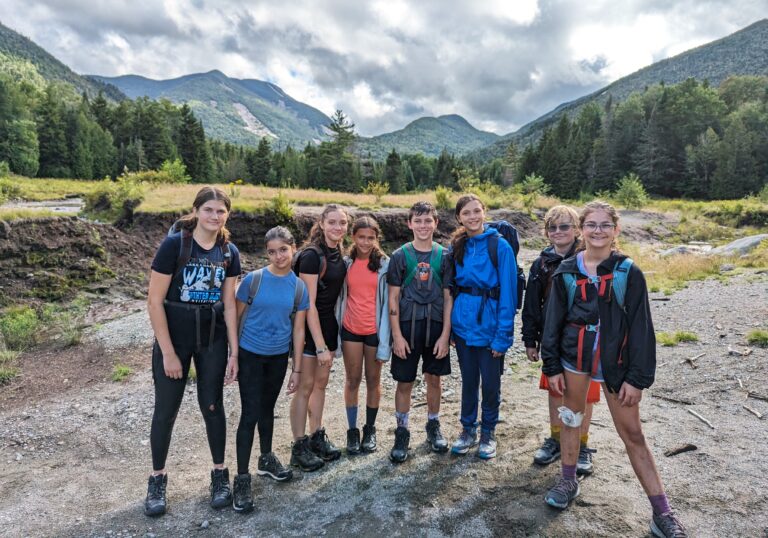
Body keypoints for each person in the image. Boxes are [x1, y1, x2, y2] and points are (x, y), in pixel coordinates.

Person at [540, 201, 687, 538]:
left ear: (616, 230)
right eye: (591, 224)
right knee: (571, 419)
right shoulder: (567, 270)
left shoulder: (628, 273)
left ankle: (662, 512)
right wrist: (552, 366)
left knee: (633, 434)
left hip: (616, 365)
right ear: (582, 229)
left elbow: (641, 328)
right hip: (572, 359)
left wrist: (637, 379)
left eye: (605, 225)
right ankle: (567, 481)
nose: (597, 231)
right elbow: (554, 322)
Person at [144, 186, 241, 517]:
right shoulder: (175, 245)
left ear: (227, 215)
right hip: (175, 339)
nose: (214, 216)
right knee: (166, 410)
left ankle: (219, 475)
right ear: (197, 210)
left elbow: (229, 304)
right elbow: (154, 301)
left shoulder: (229, 252)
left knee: (212, 406)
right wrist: (168, 353)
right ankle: (157, 479)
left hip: (212, 340)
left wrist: (234, 352)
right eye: (209, 210)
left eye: (220, 211)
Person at [232, 226, 309, 513]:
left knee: (267, 409)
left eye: (283, 250)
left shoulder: (298, 287)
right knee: (249, 413)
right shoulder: (253, 281)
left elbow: (298, 330)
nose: (278, 256)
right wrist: (234, 356)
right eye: (272, 251)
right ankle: (241, 478)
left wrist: (297, 368)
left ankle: (265, 459)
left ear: (293, 249)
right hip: (251, 354)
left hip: (277, 357)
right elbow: (235, 319)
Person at [522, 205, 601, 474]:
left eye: (565, 226)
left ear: (577, 229)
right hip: (551, 336)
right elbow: (532, 304)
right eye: (553, 227)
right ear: (546, 232)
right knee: (555, 389)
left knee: (585, 395)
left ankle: (582, 444)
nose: (558, 232)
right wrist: (530, 340)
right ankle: (556, 439)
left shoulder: (589, 259)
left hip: (584, 338)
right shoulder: (541, 263)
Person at [449, 194, 516, 459]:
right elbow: (454, 288)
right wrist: (453, 328)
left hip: (489, 327)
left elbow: (508, 295)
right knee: (468, 381)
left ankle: (488, 431)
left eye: (477, 211)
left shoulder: (500, 247)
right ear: (459, 217)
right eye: (467, 213)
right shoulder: (458, 245)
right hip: (463, 327)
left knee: (490, 383)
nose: (473, 217)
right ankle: (467, 429)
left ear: (484, 212)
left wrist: (503, 337)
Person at [387, 201, 453, 463]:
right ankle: (402, 431)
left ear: (436, 223)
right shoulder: (399, 256)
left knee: (434, 379)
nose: (423, 225)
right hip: (407, 327)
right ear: (409, 223)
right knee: (404, 382)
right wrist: (397, 336)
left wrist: (446, 335)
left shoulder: (445, 256)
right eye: (418, 220)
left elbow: (449, 298)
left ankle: (433, 426)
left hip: (435, 327)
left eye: (428, 221)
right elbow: (393, 299)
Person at [289, 204, 349, 470]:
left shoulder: (337, 252)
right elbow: (307, 303)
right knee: (305, 388)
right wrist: (321, 345)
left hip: (328, 327)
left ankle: (316, 435)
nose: (338, 227)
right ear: (322, 223)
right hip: (310, 331)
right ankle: (298, 445)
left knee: (321, 385)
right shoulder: (312, 256)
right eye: (333, 222)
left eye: (343, 223)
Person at [335, 217, 391, 454]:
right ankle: (352, 431)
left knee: (374, 380)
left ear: (376, 239)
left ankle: (370, 429)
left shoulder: (385, 265)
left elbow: (389, 303)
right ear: (353, 237)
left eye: (370, 238)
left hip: (375, 331)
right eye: (361, 237)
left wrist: (387, 341)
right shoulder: (346, 263)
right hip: (350, 329)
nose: (366, 242)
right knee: (352, 379)